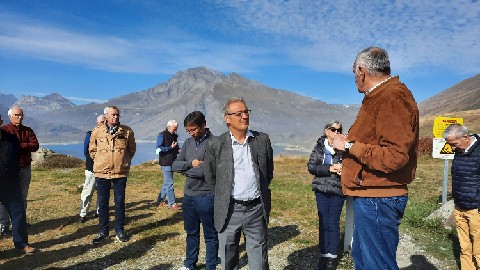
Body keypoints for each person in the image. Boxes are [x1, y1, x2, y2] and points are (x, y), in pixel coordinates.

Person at [332, 47, 419, 270]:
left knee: (376, 265)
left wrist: (349, 145)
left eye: (354, 75)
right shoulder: (380, 97)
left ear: (361, 71)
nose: (355, 81)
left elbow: (394, 156)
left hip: (379, 199)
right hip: (372, 196)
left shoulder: (392, 97)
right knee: (364, 260)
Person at [204, 97, 274, 270]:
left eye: (246, 112)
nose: (244, 116)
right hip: (229, 210)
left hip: (256, 209)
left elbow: (268, 173)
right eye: (239, 113)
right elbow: (210, 176)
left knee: (260, 261)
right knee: (228, 259)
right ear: (227, 118)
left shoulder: (262, 140)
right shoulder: (216, 144)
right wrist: (224, 195)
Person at [172, 111, 218, 270]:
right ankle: (189, 264)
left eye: (194, 129)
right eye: (188, 130)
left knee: (210, 235)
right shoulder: (188, 143)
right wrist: (191, 164)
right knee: (191, 233)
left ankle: (210, 266)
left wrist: (185, 169)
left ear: (203, 125)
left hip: (207, 196)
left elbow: (207, 172)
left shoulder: (215, 143)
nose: (191, 133)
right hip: (188, 196)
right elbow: (175, 165)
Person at [89, 106, 136, 244]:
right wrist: (100, 161)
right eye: (113, 115)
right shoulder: (97, 132)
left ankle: (119, 231)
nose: (116, 117)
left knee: (119, 203)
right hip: (102, 173)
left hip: (120, 173)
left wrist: (123, 161)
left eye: (117, 115)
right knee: (103, 204)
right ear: (106, 116)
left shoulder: (127, 131)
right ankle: (103, 232)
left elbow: (131, 150)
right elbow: (92, 150)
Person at [307, 121, 345, 270]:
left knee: (333, 223)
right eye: (333, 129)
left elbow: (352, 167)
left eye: (339, 130)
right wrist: (329, 168)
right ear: (326, 131)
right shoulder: (319, 148)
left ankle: (332, 257)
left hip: (337, 190)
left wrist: (344, 170)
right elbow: (311, 166)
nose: (336, 132)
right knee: (323, 223)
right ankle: (323, 255)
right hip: (321, 190)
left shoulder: (344, 148)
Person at [442, 124, 480, 270]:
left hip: (476, 209)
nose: (451, 147)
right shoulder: (459, 150)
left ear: (465, 137)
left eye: (453, 144)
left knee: (478, 251)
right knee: (465, 249)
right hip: (459, 207)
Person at [0, 106, 39, 235]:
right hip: (9, 171)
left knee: (22, 196)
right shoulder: (4, 130)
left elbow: (35, 145)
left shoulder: (28, 130)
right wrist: (23, 146)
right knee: (6, 198)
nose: (20, 117)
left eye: (21, 114)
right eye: (17, 115)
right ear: (10, 116)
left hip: (25, 167)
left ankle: (21, 222)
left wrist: (17, 145)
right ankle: (5, 225)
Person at [78, 115, 105, 223]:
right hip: (92, 168)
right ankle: (83, 214)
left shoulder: (109, 134)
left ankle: (99, 211)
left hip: (104, 169)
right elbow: (86, 151)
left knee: (102, 192)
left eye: (105, 121)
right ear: (97, 123)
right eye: (101, 121)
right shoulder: (90, 134)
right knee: (88, 191)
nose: (103, 123)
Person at [155, 120, 180, 210]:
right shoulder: (161, 135)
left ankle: (160, 201)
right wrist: (170, 148)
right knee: (169, 183)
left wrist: (179, 150)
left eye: (176, 129)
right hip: (165, 162)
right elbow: (158, 148)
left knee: (167, 183)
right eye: (174, 129)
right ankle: (172, 204)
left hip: (172, 161)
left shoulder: (174, 136)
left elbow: (176, 148)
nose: (175, 130)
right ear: (169, 127)